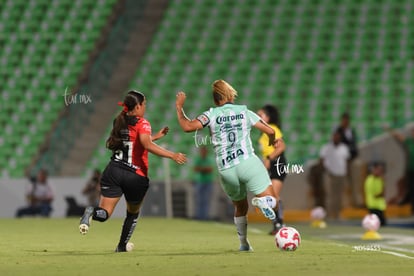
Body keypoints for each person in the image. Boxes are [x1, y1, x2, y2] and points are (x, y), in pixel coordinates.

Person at [175, 79, 279, 252]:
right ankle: (264, 201)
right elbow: (270, 130)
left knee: (240, 207)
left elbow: (187, 126)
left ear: (215, 100)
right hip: (247, 162)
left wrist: (179, 107)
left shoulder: (211, 114)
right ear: (231, 95)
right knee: (274, 201)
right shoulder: (244, 111)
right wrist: (272, 141)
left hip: (227, 169)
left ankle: (244, 243)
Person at [78, 90, 187, 252]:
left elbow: (133, 142)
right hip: (134, 176)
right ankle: (121, 246)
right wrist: (173, 155)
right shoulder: (142, 123)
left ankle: (91, 212)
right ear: (137, 106)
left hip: (113, 171)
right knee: (132, 213)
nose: (145, 108)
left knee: (105, 213)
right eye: (144, 105)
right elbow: (146, 145)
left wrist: (155, 136)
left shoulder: (119, 120)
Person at [257, 104, 287, 235]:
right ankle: (278, 223)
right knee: (271, 196)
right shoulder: (264, 132)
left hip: (277, 163)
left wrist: (269, 158)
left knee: (273, 195)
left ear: (268, 118)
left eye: (261, 115)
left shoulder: (272, 128)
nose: (258, 118)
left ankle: (279, 223)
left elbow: (281, 147)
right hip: (271, 164)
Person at [320, 130, 350, 220]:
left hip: (341, 174)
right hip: (331, 174)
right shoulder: (327, 148)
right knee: (330, 195)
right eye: (335, 136)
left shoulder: (344, 148)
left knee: (339, 195)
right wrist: (326, 170)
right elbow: (322, 159)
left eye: (338, 136)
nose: (336, 138)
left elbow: (347, 161)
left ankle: (337, 214)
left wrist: (347, 173)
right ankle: (329, 214)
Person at [336, 112, 359, 207]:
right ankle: (342, 204)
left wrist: (353, 156)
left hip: (351, 160)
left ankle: (354, 202)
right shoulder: (338, 131)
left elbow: (353, 145)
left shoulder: (351, 131)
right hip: (341, 161)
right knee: (341, 183)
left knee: (353, 182)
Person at [389, 126, 414, 213]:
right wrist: (390, 130)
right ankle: (412, 207)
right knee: (411, 188)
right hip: (411, 169)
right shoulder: (410, 142)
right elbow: (399, 136)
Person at [193, 146, 215, 220]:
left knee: (206, 200)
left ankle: (205, 216)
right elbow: (195, 169)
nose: (203, 153)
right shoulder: (198, 159)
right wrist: (204, 169)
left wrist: (202, 169)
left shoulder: (209, 159)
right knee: (199, 200)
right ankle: (199, 216)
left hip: (208, 181)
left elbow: (210, 169)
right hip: (200, 181)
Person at [364, 162, 386, 226]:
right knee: (374, 225)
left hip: (380, 206)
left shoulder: (380, 179)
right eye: (378, 170)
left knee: (383, 224)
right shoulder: (369, 180)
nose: (380, 172)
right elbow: (374, 194)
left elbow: (383, 192)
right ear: (374, 170)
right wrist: (381, 194)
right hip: (373, 206)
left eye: (381, 170)